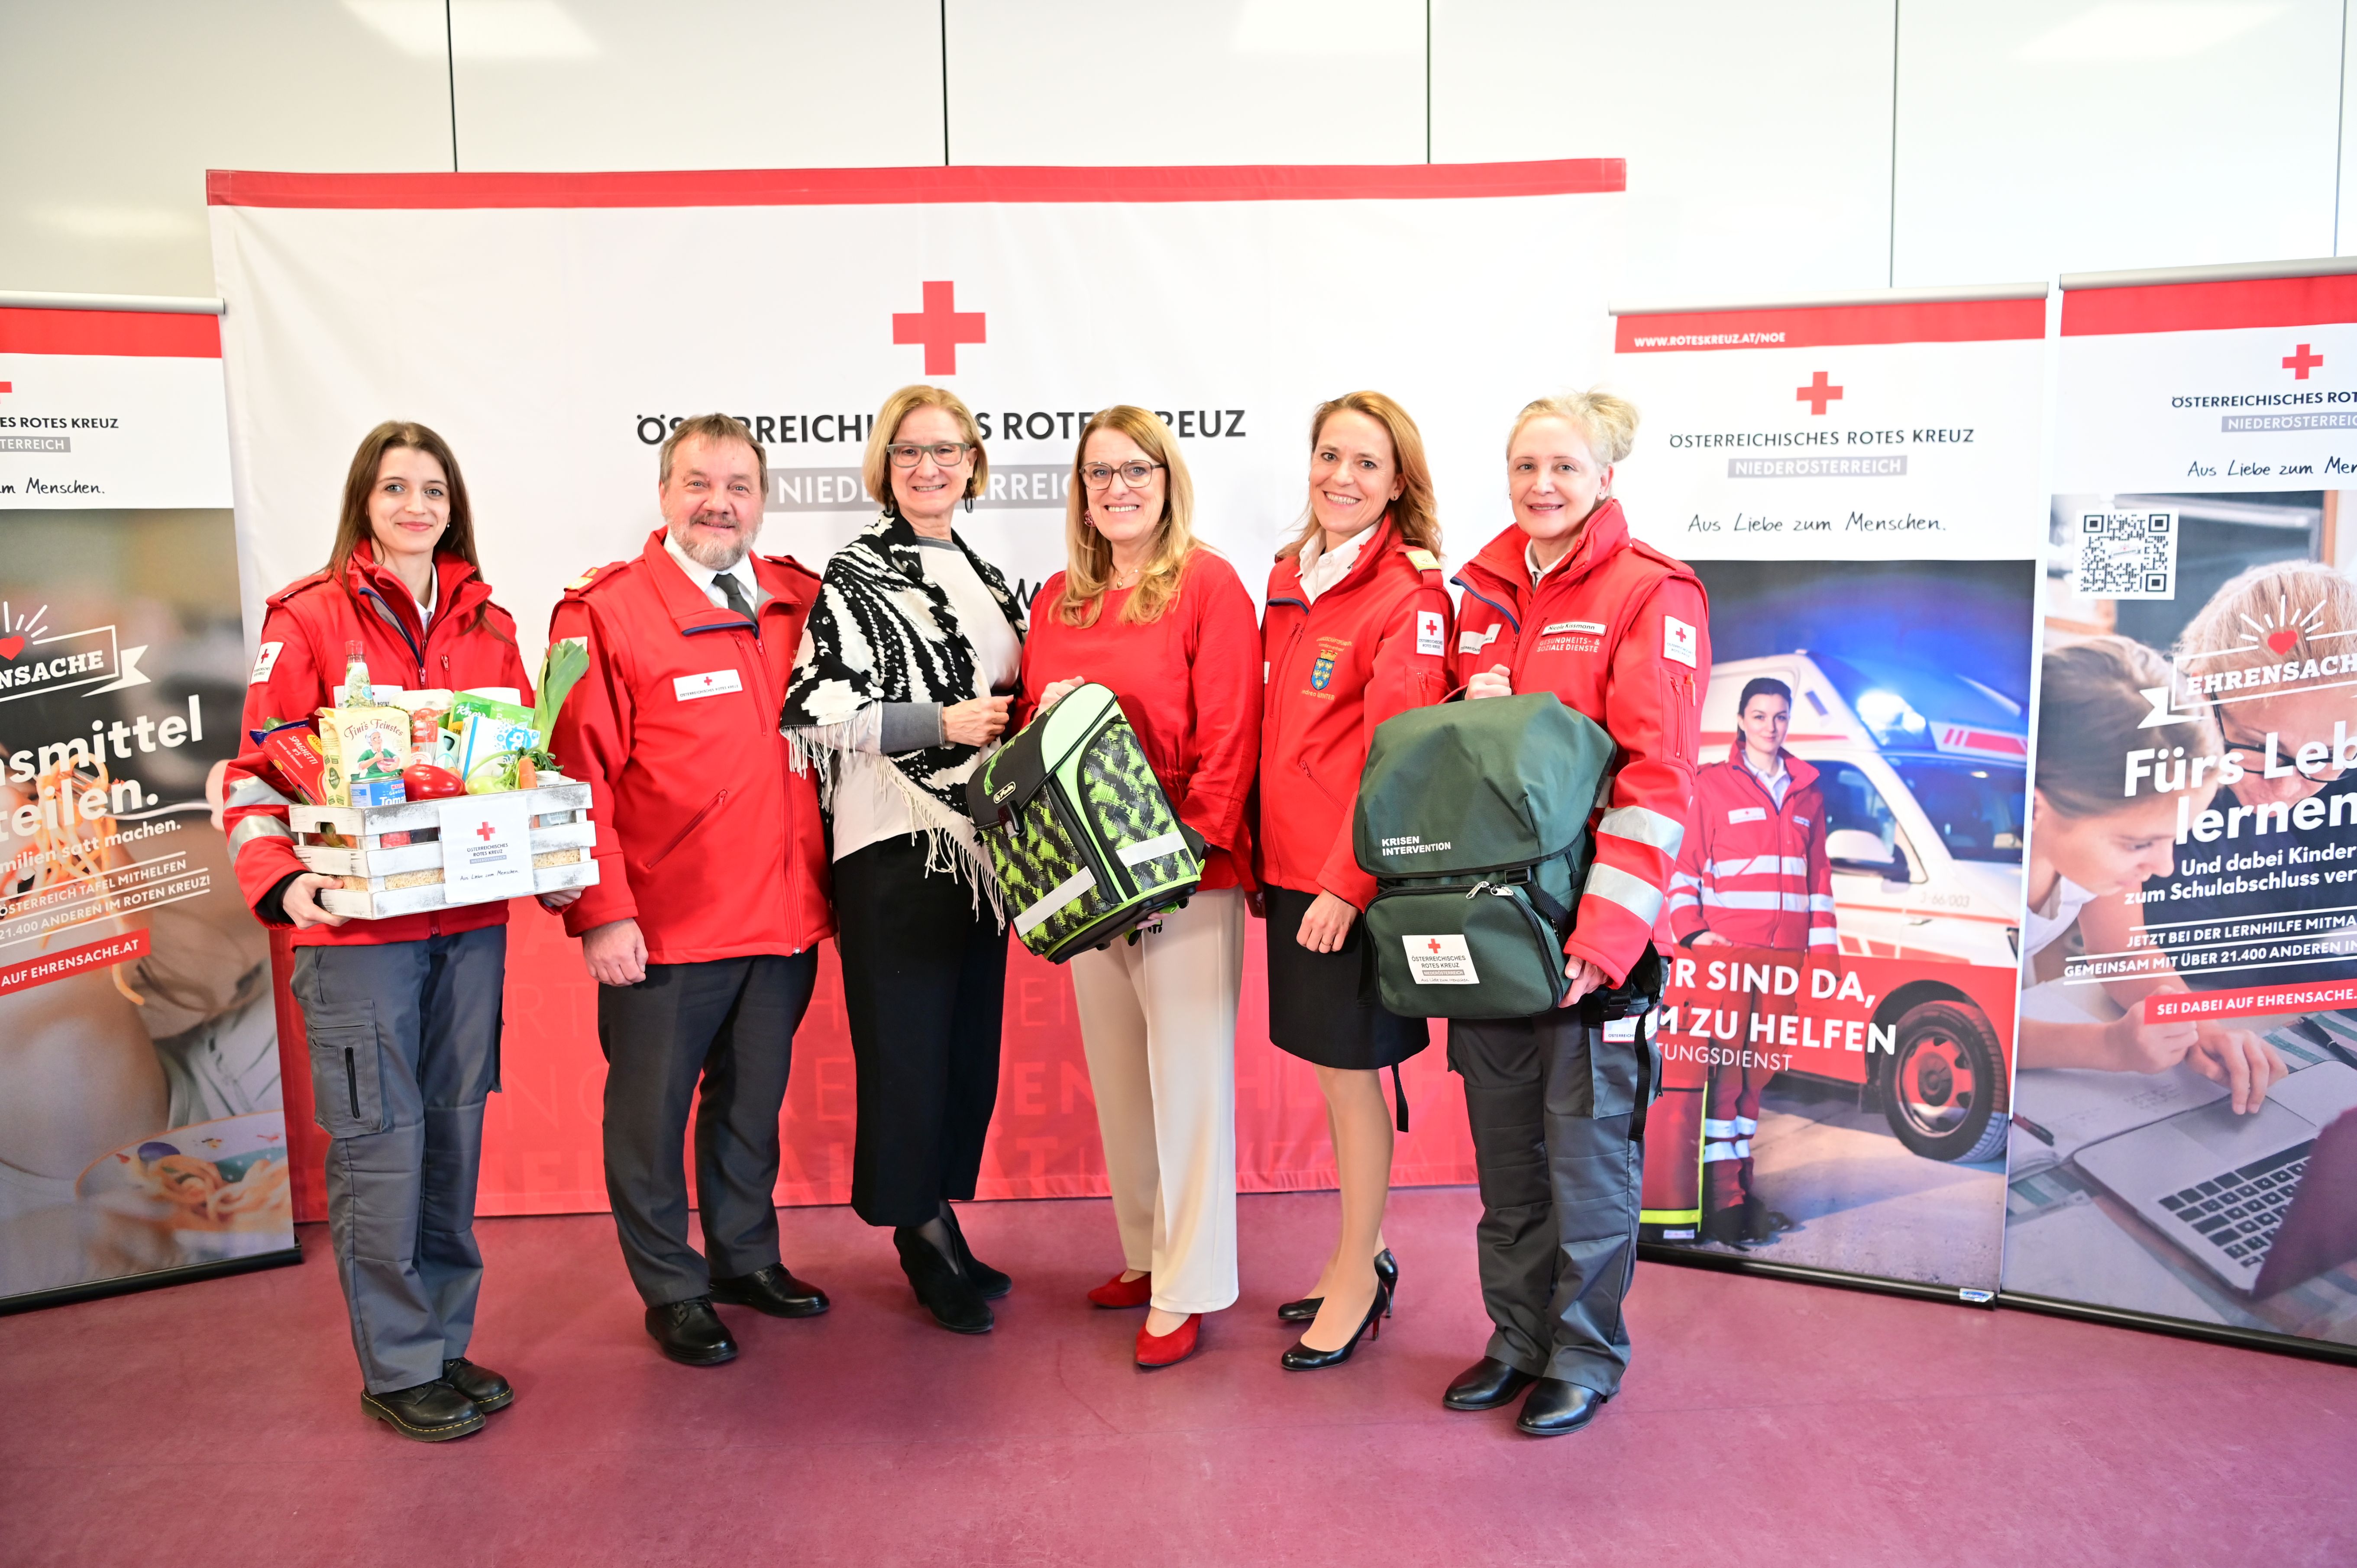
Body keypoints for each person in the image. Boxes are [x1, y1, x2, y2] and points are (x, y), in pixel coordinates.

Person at [223, 420, 533, 1441]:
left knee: (453, 1130)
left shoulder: (490, 621)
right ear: (364, 500)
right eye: (394, 487)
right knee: (382, 1143)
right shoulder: (307, 617)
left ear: (454, 507)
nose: (414, 505)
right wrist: (281, 882)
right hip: (360, 934)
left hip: (468, 924)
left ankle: (444, 1342)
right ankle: (397, 1366)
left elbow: (518, 767)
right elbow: (250, 770)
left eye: (432, 489)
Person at [1441, 391, 1708, 1438]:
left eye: (1561, 466)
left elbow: (1659, 778)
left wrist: (1605, 937)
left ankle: (1585, 1356)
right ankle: (1515, 1338)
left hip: (1595, 941)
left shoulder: (1653, 594)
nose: (1540, 486)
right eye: (1522, 467)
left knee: (1586, 1162)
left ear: (1604, 476)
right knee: (1508, 1163)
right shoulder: (1478, 591)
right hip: (1492, 936)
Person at [549, 413, 836, 1368]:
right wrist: (600, 911)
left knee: (751, 1104)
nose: (720, 502)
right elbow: (571, 776)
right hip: (662, 926)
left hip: (785, 915)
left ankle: (744, 1257)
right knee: (650, 1116)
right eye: (699, 482)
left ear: (763, 497)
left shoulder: (801, 599)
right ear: (665, 493)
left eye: (740, 485)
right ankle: (671, 1284)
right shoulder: (603, 611)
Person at [1017, 406, 1262, 1369]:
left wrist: (1188, 855)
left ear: (1168, 479)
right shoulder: (1057, 600)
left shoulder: (1208, 586)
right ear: (1080, 492)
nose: (1116, 488)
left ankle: (1190, 1284)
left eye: (1135, 470)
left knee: (1190, 1082)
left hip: (1182, 875)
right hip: (1086, 879)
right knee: (1122, 1077)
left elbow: (1230, 733)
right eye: (1098, 474)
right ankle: (1144, 1248)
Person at [781, 385, 1026, 1334]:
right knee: (907, 1051)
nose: (931, 467)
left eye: (949, 450)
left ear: (974, 462)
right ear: (885, 465)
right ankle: (916, 1233)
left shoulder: (991, 573)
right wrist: (943, 721)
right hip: (892, 845)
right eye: (911, 451)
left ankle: (943, 1214)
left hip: (981, 847)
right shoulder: (855, 571)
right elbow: (814, 714)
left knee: (965, 1047)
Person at [1255, 391, 1452, 1371]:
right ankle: (1356, 1253)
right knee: (1335, 1075)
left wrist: (1345, 883)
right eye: (1328, 454)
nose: (1340, 476)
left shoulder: (1408, 600)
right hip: (1288, 873)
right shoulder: (1290, 580)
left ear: (1398, 483)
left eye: (1365, 463)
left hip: (1346, 886)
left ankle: (1359, 1272)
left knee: (1349, 1078)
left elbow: (1396, 762)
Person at [2019, 636, 2282, 1108]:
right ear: (2034, 808)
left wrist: (2199, 1025)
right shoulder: (1968, 874)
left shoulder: (2081, 842)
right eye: (2139, 843)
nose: (2163, 867)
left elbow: (2124, 946)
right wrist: (2106, 1048)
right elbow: (1940, 1021)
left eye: (2173, 838)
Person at [1667, 676, 1832, 1245]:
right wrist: (1693, 935)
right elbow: (1682, 869)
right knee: (1724, 1075)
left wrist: (1825, 953)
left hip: (1783, 959)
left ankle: (1740, 1191)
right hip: (1727, 956)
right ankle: (1720, 1205)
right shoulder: (1710, 786)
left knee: (1756, 1078)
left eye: (1779, 716)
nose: (1769, 726)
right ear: (1740, 720)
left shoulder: (1808, 789)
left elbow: (1819, 883)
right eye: (1758, 715)